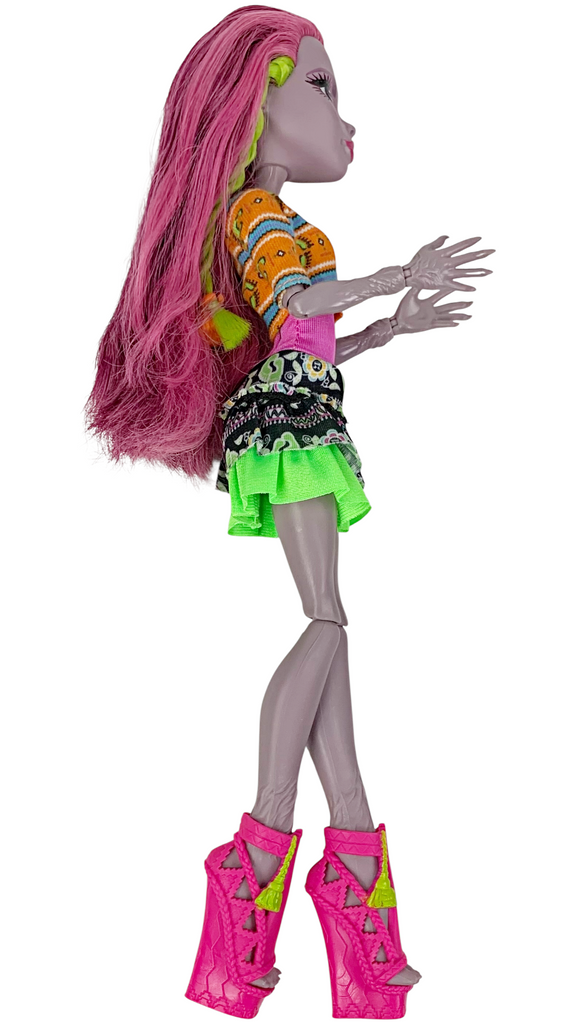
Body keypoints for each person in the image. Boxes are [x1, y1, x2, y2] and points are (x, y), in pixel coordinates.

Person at [87, 6, 493, 1018]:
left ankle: (347, 870)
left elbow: (304, 336)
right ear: (259, 99)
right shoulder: (259, 219)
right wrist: (394, 276)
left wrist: (389, 328)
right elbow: (300, 308)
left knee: (331, 622)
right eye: (320, 86)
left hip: (300, 409)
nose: (344, 119)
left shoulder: (281, 225)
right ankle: (260, 845)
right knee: (326, 619)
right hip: (289, 426)